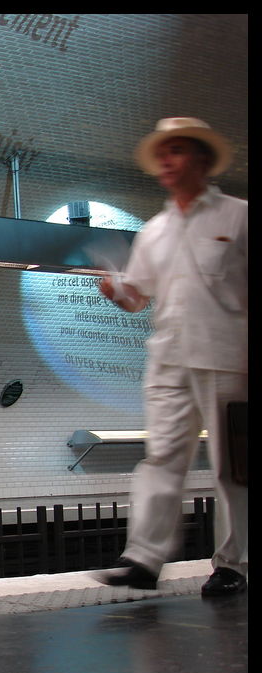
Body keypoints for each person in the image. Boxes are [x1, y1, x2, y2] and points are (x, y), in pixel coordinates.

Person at [94, 117, 248, 597]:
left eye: (177, 150)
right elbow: (139, 296)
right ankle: (143, 559)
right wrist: (117, 293)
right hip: (169, 361)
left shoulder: (239, 216)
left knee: (232, 466)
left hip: (230, 357)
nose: (165, 159)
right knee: (160, 457)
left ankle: (233, 565)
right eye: (162, 152)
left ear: (202, 160)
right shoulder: (155, 231)